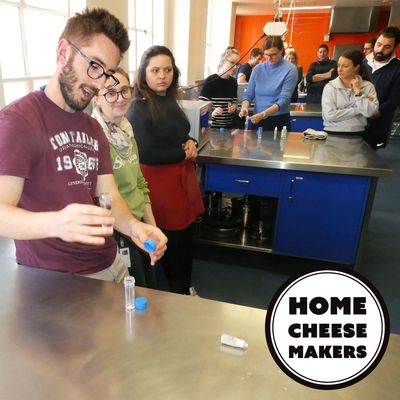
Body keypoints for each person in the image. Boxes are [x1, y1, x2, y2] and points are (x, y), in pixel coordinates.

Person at [0, 8, 167, 283]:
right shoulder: (19, 120)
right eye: (94, 65)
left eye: (108, 73)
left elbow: (108, 197)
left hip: (110, 263)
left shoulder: (92, 127)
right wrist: (56, 222)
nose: (99, 82)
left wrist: (135, 227)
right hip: (55, 278)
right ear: (63, 51)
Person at [125, 45, 204, 295]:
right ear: (144, 74)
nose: (162, 76)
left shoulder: (169, 100)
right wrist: (183, 152)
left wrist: (191, 140)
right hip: (159, 187)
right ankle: (172, 295)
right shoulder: (139, 106)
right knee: (168, 241)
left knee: (184, 240)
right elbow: (146, 152)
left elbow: (177, 132)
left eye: (168, 70)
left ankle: (183, 288)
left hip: (179, 181)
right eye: (155, 70)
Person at [92, 67, 157, 288]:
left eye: (124, 90)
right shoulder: (95, 140)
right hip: (118, 232)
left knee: (150, 287)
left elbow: (140, 183)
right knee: (132, 294)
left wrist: (153, 228)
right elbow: (102, 198)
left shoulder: (127, 133)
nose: (119, 98)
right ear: (96, 98)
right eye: (110, 92)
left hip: (139, 227)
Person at [239, 36, 298, 131]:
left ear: (281, 50)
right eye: (266, 55)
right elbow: (249, 94)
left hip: (279, 121)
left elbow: (284, 100)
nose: (269, 58)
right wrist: (244, 107)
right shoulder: (258, 69)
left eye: (273, 54)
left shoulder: (290, 69)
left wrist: (264, 114)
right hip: (258, 118)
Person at [322, 50, 378, 136]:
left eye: (345, 66)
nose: (340, 69)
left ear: (356, 67)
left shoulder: (368, 86)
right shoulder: (330, 87)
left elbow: (370, 113)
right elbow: (330, 115)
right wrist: (359, 109)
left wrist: (358, 91)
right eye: (339, 65)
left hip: (358, 133)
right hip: (332, 132)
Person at [363, 26, 400, 149]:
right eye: (378, 44)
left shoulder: (397, 69)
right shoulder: (363, 64)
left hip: (377, 127)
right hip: (354, 123)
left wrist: (373, 114)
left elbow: (393, 101)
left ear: (394, 48)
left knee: (368, 160)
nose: (380, 49)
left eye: (387, 47)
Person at [199, 47, 241, 128]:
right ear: (223, 61)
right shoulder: (210, 81)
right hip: (212, 128)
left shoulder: (233, 82)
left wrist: (234, 107)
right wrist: (212, 112)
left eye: (237, 64)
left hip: (228, 128)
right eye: (232, 63)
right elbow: (200, 108)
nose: (235, 67)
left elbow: (234, 102)